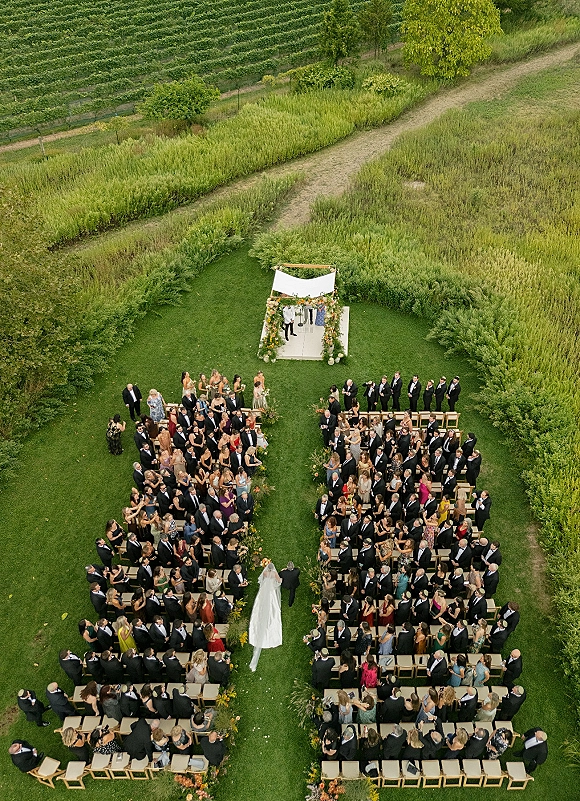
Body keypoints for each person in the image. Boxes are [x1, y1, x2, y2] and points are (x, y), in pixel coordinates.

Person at [248, 561, 282, 671]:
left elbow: (260, 580)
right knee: (273, 609)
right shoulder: (274, 574)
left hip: (263, 592)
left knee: (260, 606)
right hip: (271, 592)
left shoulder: (265, 573)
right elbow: (279, 581)